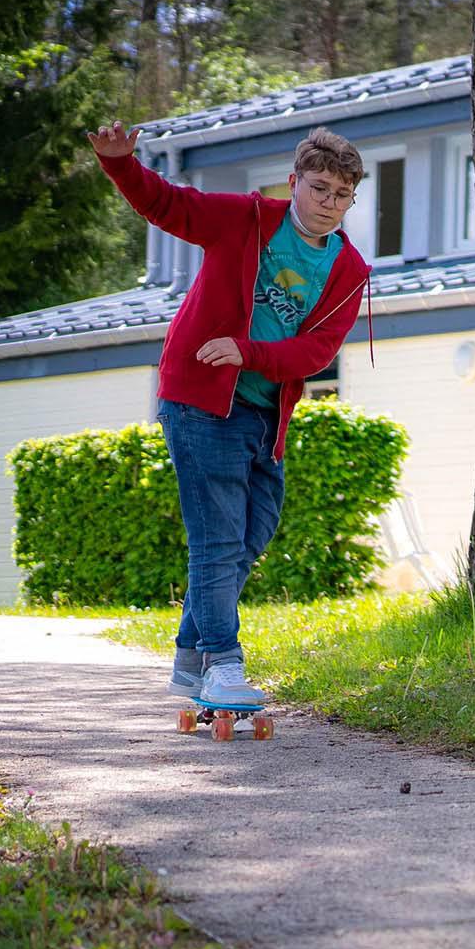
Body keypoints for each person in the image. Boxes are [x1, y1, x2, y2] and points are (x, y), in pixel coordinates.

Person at [88, 121, 373, 705]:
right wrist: (120, 163)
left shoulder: (349, 270)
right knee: (217, 542)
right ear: (293, 182)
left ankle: (190, 659)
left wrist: (249, 351)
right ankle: (224, 663)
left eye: (342, 195)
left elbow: (316, 351)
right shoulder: (245, 219)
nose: (329, 204)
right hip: (201, 401)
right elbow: (170, 205)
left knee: (253, 533)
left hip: (266, 414)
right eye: (319, 188)